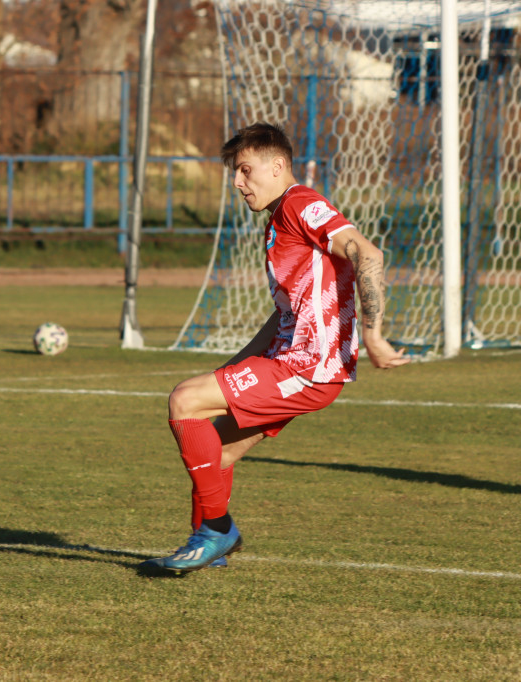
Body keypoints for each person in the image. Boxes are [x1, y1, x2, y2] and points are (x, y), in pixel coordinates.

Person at [138, 123, 409, 576]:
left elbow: (369, 254)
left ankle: (216, 531)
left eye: (245, 170)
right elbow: (283, 315)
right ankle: (206, 545)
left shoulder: (302, 204)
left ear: (278, 165)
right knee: (217, 449)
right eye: (235, 173)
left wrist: (374, 334)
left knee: (184, 401)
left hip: (308, 365)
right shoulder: (280, 219)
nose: (238, 183)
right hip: (291, 361)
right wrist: (235, 364)